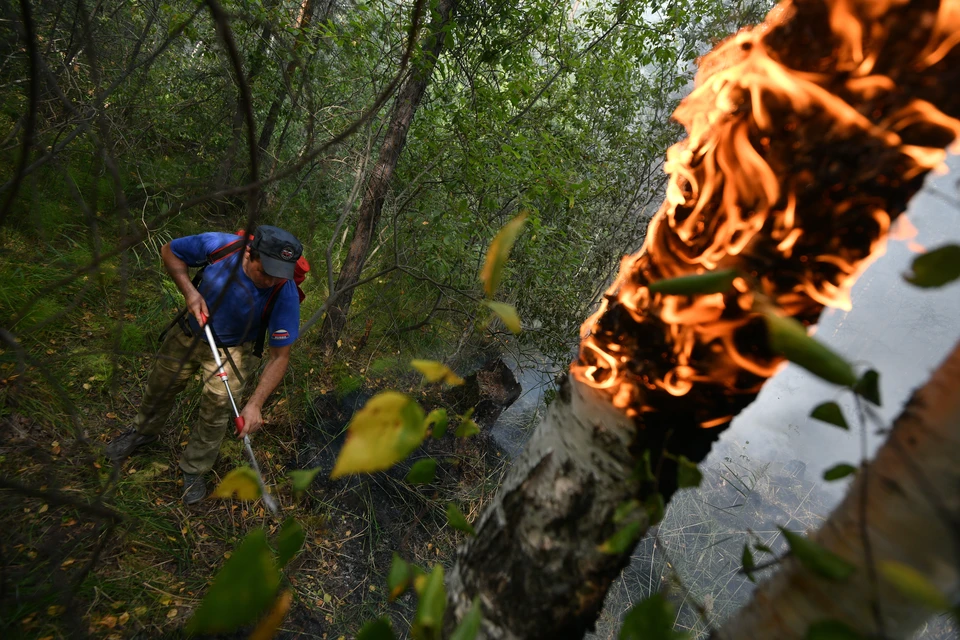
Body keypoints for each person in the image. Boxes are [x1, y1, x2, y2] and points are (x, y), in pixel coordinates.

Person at [106, 225, 302, 504]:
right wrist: (189, 292)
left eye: (278, 274)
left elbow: (279, 356)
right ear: (250, 253)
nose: (271, 281)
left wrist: (256, 403)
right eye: (266, 272)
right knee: (160, 387)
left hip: (232, 350)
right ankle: (143, 433)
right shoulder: (219, 246)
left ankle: (194, 469)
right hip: (187, 334)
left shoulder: (285, 291)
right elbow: (169, 251)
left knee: (215, 413)